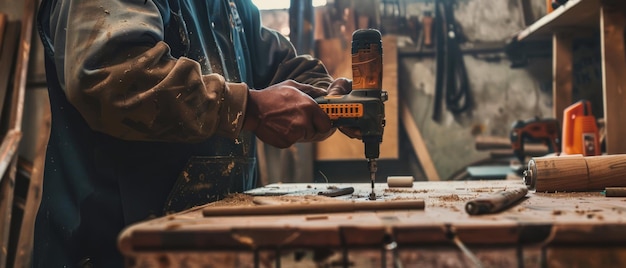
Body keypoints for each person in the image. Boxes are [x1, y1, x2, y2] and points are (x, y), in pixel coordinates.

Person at [35, 0, 353, 267]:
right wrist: (250, 108)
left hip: (213, 247)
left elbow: (281, 65)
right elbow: (114, 77)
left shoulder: (229, 6)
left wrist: (327, 101)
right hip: (112, 249)